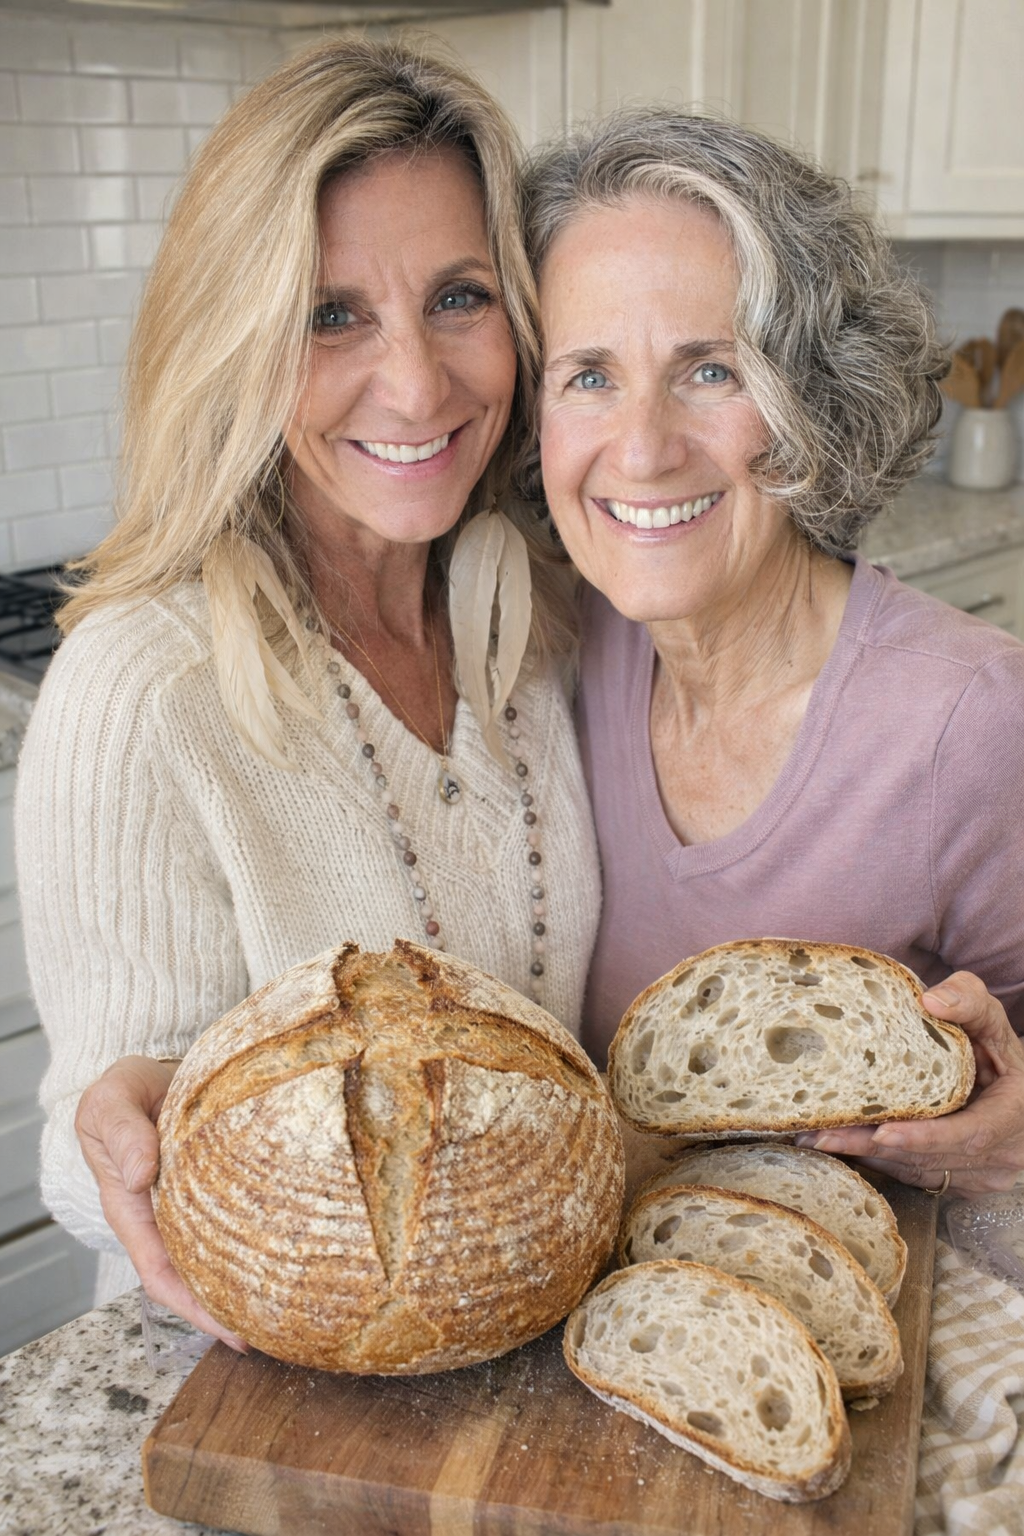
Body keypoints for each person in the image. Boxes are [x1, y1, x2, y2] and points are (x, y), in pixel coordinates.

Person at [14, 35, 601, 1349]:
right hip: (263, 1388)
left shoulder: (535, 615)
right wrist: (124, 1122)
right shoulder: (144, 689)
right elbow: (79, 1152)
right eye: (332, 314)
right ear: (236, 337)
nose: (417, 383)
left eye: (460, 297)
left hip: (522, 1355)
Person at [524, 110, 1024, 1201]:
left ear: (814, 398)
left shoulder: (970, 720)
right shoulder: (557, 651)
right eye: (588, 375)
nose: (645, 448)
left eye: (710, 370)